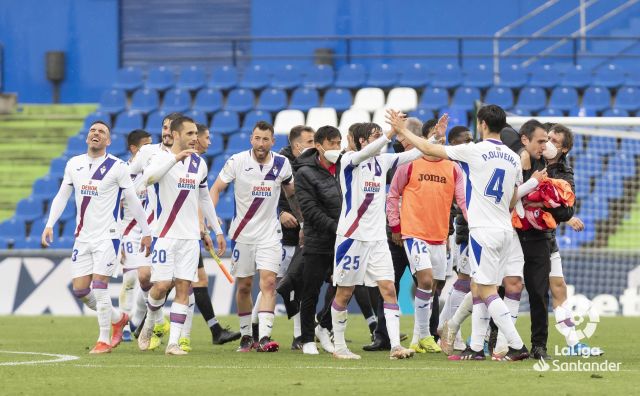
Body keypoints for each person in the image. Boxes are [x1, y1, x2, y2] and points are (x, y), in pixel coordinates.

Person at [391, 105, 529, 361]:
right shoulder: (513, 157)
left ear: (483, 124)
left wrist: (402, 131)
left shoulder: (474, 151)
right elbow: (511, 200)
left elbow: (430, 149)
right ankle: (475, 348)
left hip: (482, 231)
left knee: (487, 291)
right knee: (478, 287)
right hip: (505, 231)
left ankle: (516, 345)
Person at [41, 121, 153, 354]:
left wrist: (146, 231)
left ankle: (103, 340)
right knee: (81, 290)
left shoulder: (118, 166)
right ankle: (118, 318)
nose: (96, 133)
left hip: (108, 237)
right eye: (93, 130)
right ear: (87, 137)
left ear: (108, 141)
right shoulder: (74, 164)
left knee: (100, 286)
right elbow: (62, 195)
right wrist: (50, 224)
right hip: (82, 237)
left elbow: (132, 200)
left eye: (101, 132)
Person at [331, 119, 424, 360]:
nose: (384, 139)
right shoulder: (349, 161)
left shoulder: (383, 162)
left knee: (389, 289)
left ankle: (395, 347)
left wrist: (434, 139)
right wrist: (392, 132)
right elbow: (369, 151)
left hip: (377, 240)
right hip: (351, 238)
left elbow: (413, 154)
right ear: (363, 141)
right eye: (376, 135)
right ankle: (339, 347)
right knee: (344, 292)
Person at [137, 116, 225, 355]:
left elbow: (204, 198)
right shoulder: (160, 158)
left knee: (184, 288)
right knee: (161, 286)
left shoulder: (200, 164)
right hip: (164, 234)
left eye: (196, 134)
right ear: (175, 135)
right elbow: (148, 179)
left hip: (189, 238)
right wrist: (175, 158)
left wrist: (216, 230)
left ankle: (173, 343)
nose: (194, 138)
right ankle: (150, 322)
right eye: (189, 134)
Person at [210, 121, 302, 353]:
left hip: (270, 235)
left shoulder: (282, 164)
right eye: (257, 139)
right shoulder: (237, 161)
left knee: (269, 282)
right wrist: (211, 220)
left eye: (265, 139)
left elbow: (292, 195)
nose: (261, 144)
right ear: (251, 139)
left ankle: (264, 337)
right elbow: (216, 188)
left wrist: (303, 222)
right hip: (242, 235)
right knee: (244, 286)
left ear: (273, 142)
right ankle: (246, 336)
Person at [387, 120, 467, 354]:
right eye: (435, 135)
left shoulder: (453, 168)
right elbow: (392, 195)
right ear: (426, 137)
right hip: (414, 232)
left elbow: (461, 201)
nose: (440, 139)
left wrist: (477, 219)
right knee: (425, 280)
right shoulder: (410, 164)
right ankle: (424, 335)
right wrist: (395, 226)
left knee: (434, 287)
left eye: (442, 136)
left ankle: (417, 338)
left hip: (439, 235)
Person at [363, 118, 424, 352]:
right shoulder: (398, 163)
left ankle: (427, 335)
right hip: (397, 235)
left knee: (426, 285)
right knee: (388, 284)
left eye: (401, 135)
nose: (398, 139)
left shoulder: (430, 161)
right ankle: (383, 336)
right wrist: (395, 228)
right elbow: (392, 198)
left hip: (420, 234)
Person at [252, 125, 314, 350]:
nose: (314, 145)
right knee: (273, 284)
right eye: (310, 142)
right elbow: (267, 195)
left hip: (302, 235)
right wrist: (280, 213)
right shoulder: (279, 163)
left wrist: (307, 225)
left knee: (300, 283)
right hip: (278, 237)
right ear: (297, 145)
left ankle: (299, 335)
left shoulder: (311, 164)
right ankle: (254, 328)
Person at [128, 112, 182, 347]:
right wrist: (134, 189)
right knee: (144, 275)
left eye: (171, 128)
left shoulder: (186, 158)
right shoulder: (148, 152)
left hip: (176, 228)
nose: (166, 131)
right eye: (164, 126)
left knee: (169, 281)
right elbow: (127, 176)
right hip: (151, 225)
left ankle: (155, 326)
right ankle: (153, 320)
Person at [185, 123, 240, 350]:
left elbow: (202, 199)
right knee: (167, 283)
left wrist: (206, 225)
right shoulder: (183, 163)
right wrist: (201, 226)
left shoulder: (199, 165)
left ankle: (215, 330)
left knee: (196, 280)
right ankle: (144, 324)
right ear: (195, 138)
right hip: (176, 234)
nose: (209, 142)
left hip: (189, 232)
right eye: (206, 138)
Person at [294, 126, 344, 355]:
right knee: (311, 291)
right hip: (318, 240)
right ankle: (306, 339)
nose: (337, 148)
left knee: (344, 286)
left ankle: (324, 326)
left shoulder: (344, 167)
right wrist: (338, 228)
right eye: (332, 144)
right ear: (319, 145)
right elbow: (309, 209)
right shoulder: (304, 173)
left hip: (342, 239)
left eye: (339, 143)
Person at [436, 126, 473, 353]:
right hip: (465, 228)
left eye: (471, 139)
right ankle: (451, 330)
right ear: (453, 144)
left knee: (467, 281)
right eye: (465, 140)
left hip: (471, 226)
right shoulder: (453, 166)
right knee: (465, 280)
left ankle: (444, 324)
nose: (470, 143)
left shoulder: (471, 162)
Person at [118, 129, 153, 342]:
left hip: (151, 231)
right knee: (131, 278)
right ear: (134, 149)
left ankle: (137, 319)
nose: (150, 149)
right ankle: (124, 323)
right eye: (145, 145)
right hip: (129, 231)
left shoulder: (154, 170)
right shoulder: (122, 171)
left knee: (147, 278)